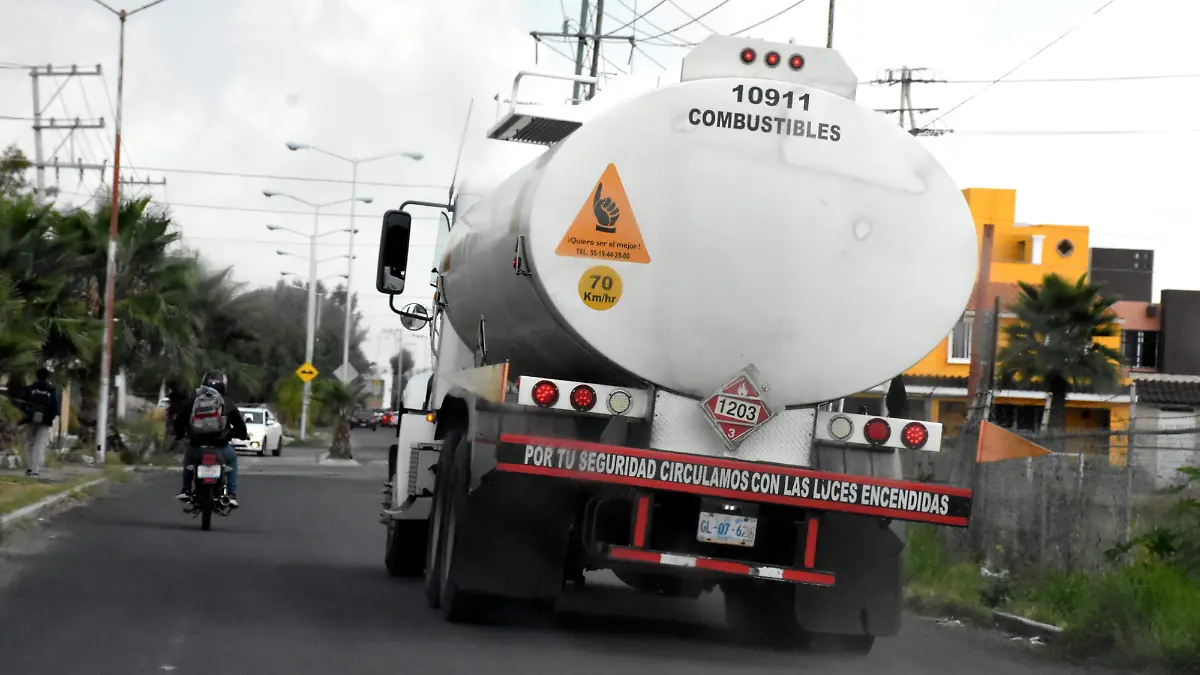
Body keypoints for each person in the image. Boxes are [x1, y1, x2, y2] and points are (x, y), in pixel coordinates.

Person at [173, 370, 248, 507]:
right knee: (232, 459)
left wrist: (180, 435)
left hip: (197, 448)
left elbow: (179, 421)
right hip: (221, 448)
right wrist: (242, 435)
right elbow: (240, 425)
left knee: (188, 460)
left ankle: (186, 490)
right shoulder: (227, 403)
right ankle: (231, 494)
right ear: (224, 386)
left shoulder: (194, 401)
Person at [19, 367, 61, 479]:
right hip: (45, 421)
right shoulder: (51, 390)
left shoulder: (30, 389)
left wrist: (28, 414)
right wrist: (48, 417)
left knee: (30, 444)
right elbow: (55, 408)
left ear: (36, 375)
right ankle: (36, 470)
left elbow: (23, 404)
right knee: (39, 445)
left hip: (31, 419)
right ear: (47, 377)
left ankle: (29, 468)